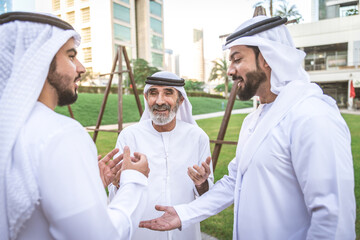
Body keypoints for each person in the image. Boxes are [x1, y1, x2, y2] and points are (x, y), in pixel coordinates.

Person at [139, 16, 356, 239]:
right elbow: (234, 182)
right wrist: (183, 213)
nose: (230, 70)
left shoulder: (312, 115)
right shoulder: (253, 121)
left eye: (237, 59)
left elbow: (333, 219)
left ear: (267, 58)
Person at [0, 12, 150, 240]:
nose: (81, 68)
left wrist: (91, 188)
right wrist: (134, 181)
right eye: (71, 56)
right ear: (39, 59)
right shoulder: (60, 134)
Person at [108, 71, 214, 240]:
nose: (159, 101)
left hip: (184, 232)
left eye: (168, 93)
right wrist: (116, 183)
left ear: (180, 100)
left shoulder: (198, 137)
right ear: (146, 97)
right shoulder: (129, 136)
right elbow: (116, 191)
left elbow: (207, 194)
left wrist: (202, 185)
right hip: (141, 231)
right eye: (154, 93)